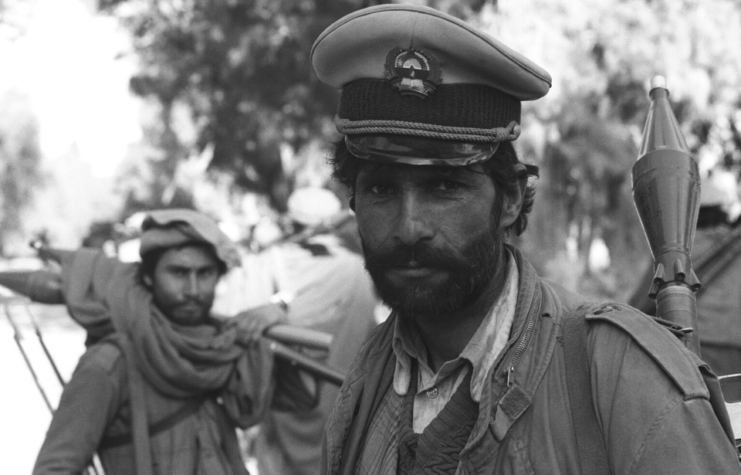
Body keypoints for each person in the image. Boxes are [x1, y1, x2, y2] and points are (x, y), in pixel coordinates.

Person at [310, 4, 741, 474]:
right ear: (352, 200)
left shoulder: (619, 377)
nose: (410, 226)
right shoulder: (369, 377)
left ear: (511, 199)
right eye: (381, 189)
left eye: (445, 187)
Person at [31, 208, 312, 475]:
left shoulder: (221, 347)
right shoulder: (108, 365)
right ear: (149, 278)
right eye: (178, 273)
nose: (192, 290)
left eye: (204, 274)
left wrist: (277, 318)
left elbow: (303, 400)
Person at [214, 187, 380, 475]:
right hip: (346, 415)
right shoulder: (360, 271)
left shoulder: (266, 263)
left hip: (285, 412)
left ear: (291, 222)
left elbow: (226, 325)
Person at [630, 168, 741, 376]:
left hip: (687, 347)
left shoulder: (671, 248)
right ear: (722, 211)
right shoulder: (735, 248)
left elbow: (638, 306)